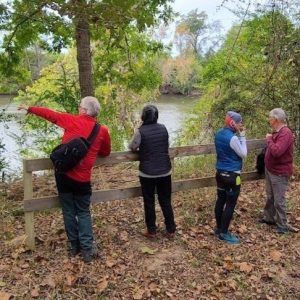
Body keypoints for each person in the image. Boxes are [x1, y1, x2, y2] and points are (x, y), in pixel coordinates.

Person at [18, 96, 111, 262]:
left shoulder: (71, 121)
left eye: (80, 106)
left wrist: (29, 108)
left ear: (84, 110)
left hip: (63, 176)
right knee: (83, 212)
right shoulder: (102, 130)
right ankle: (87, 250)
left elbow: (50, 114)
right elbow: (105, 153)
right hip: (82, 179)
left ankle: (73, 246)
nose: (79, 108)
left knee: (68, 210)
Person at [129, 104, 176, 238]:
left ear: (143, 116)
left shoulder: (140, 131)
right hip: (165, 171)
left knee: (149, 201)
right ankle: (171, 229)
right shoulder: (163, 128)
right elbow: (166, 145)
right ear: (156, 116)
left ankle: (151, 230)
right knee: (165, 200)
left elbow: (133, 147)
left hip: (147, 173)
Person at [259, 108, 298, 234]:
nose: (269, 120)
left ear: (276, 119)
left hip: (279, 172)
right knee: (270, 196)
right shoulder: (278, 131)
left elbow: (277, 151)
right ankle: (269, 218)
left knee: (279, 199)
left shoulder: (285, 133)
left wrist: (269, 139)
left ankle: (282, 225)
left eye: (270, 118)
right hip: (271, 169)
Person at [214, 111, 247, 244]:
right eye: (239, 122)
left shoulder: (218, 133)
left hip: (220, 173)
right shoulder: (232, 138)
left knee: (220, 200)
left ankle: (219, 228)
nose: (240, 125)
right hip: (232, 175)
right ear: (233, 123)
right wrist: (243, 136)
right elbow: (243, 153)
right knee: (230, 203)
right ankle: (224, 233)